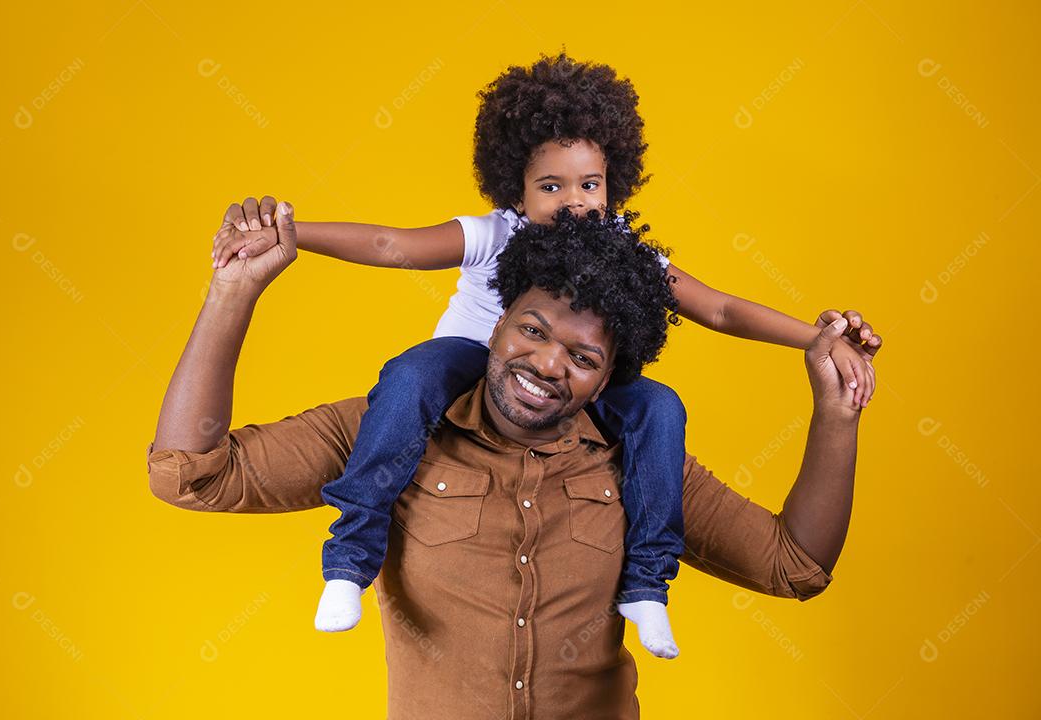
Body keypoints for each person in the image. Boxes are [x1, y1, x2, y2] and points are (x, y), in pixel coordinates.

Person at [207, 53, 879, 658]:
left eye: (589, 185)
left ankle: (647, 582)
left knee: (660, 407)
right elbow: (392, 246)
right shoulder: (496, 234)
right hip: (465, 366)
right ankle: (350, 559)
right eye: (550, 187)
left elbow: (721, 309)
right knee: (409, 373)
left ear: (614, 182)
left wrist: (815, 337)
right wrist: (290, 233)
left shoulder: (625, 252)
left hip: (576, 399)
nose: (573, 203)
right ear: (515, 189)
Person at [148, 204, 881, 719]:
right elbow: (192, 473)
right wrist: (233, 292)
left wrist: (835, 415)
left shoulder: (641, 459)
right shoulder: (392, 430)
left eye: (584, 356)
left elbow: (795, 566)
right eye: (531, 329)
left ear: (610, 373)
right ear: (496, 320)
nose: (547, 363)